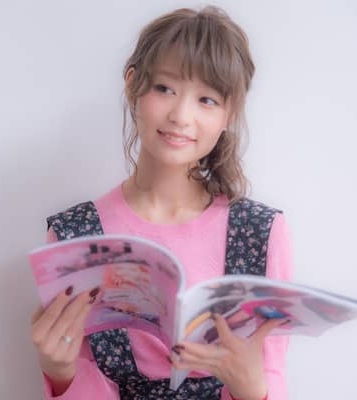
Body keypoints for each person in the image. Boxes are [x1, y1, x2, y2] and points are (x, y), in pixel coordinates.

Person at [29, 5, 293, 400]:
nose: (181, 116)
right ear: (133, 85)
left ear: (229, 113)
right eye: (165, 89)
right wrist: (60, 372)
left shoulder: (260, 233)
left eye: (207, 99)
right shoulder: (76, 236)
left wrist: (251, 388)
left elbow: (272, 371)